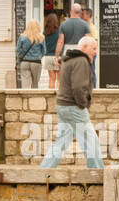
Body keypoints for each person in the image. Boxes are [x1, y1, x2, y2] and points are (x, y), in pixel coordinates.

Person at [39, 36, 103, 169]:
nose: (95, 51)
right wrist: (83, 104)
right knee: (90, 140)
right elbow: (78, 87)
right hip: (73, 107)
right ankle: (97, 172)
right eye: (94, 48)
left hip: (63, 105)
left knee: (61, 141)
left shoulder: (69, 60)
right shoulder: (81, 61)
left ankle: (44, 170)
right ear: (85, 47)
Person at [16, 18, 45, 88]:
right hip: (36, 63)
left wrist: (20, 58)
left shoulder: (22, 37)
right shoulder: (41, 37)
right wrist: (38, 56)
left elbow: (17, 50)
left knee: (25, 84)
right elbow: (44, 51)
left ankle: (26, 98)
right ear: (38, 27)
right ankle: (34, 98)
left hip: (24, 62)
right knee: (35, 83)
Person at [42, 12, 61, 90]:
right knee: (59, 80)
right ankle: (58, 97)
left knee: (51, 79)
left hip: (48, 57)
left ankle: (50, 97)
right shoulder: (60, 31)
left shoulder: (45, 32)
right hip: (58, 57)